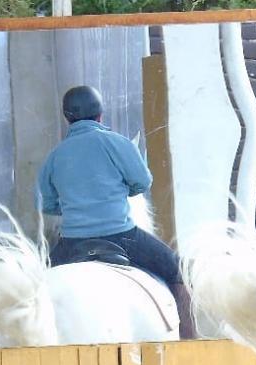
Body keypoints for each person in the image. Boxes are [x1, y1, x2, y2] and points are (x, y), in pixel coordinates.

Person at [36, 85, 196, 339]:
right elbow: (142, 182)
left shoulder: (54, 157)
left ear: (67, 118)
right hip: (122, 235)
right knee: (179, 271)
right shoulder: (117, 143)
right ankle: (190, 340)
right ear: (100, 115)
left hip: (71, 243)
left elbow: (49, 205)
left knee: (34, 287)